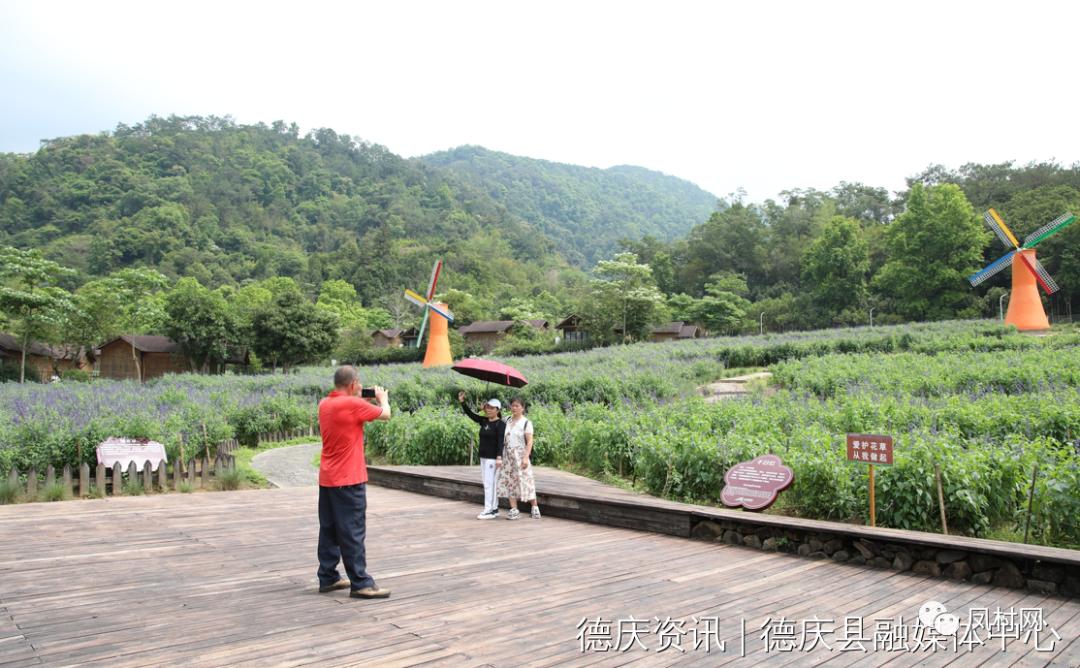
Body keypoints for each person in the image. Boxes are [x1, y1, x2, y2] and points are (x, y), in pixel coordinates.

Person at [316, 365, 392, 599]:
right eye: (358, 383)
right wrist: (382, 398)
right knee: (352, 530)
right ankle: (360, 582)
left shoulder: (324, 404)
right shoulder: (352, 404)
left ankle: (328, 576)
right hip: (349, 478)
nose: (361, 387)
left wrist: (357, 397)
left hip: (328, 478)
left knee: (329, 528)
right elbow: (385, 414)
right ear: (352, 384)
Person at [458, 391, 506, 519]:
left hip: (493, 458)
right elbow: (470, 414)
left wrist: (499, 457)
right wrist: (463, 402)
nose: (489, 410)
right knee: (488, 482)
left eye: (492, 408)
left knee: (489, 484)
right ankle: (494, 508)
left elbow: (501, 442)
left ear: (498, 410)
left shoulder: (500, 424)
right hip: (483, 457)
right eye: (487, 407)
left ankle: (488, 510)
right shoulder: (484, 421)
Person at [497, 396, 540, 520]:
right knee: (510, 482)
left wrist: (526, 457)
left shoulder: (526, 422)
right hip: (508, 455)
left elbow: (530, 442)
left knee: (526, 480)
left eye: (517, 406)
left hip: (520, 454)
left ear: (523, 408)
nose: (514, 408)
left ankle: (535, 508)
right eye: (512, 405)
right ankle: (514, 509)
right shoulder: (506, 420)